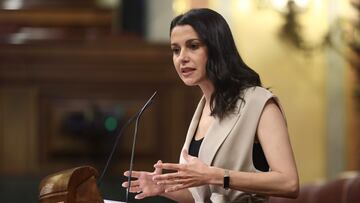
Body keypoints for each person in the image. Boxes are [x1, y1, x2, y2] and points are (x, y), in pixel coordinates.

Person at [122, 8, 299, 203]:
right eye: (176, 50)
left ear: (217, 48)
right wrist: (164, 187)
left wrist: (216, 176)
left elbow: (289, 183)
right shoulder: (203, 108)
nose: (182, 57)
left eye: (193, 46)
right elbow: (201, 195)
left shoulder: (259, 103)